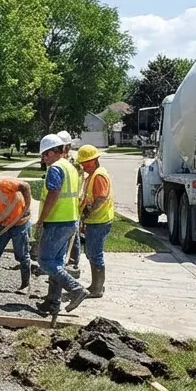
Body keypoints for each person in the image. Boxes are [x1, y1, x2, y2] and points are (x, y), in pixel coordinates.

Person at [34, 134, 88, 315]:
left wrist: (41, 219)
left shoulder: (55, 169)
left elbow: (53, 194)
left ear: (51, 152)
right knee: (56, 262)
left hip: (57, 221)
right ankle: (53, 302)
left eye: (44, 155)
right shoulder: (70, 167)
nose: (43, 159)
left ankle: (75, 289)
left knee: (45, 261)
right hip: (70, 220)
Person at [75, 145, 113, 298]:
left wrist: (88, 210)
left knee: (94, 253)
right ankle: (95, 285)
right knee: (91, 253)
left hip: (100, 220)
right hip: (94, 221)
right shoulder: (91, 176)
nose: (83, 165)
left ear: (94, 160)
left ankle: (97, 288)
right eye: (82, 162)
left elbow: (101, 197)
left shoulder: (98, 176)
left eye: (85, 162)